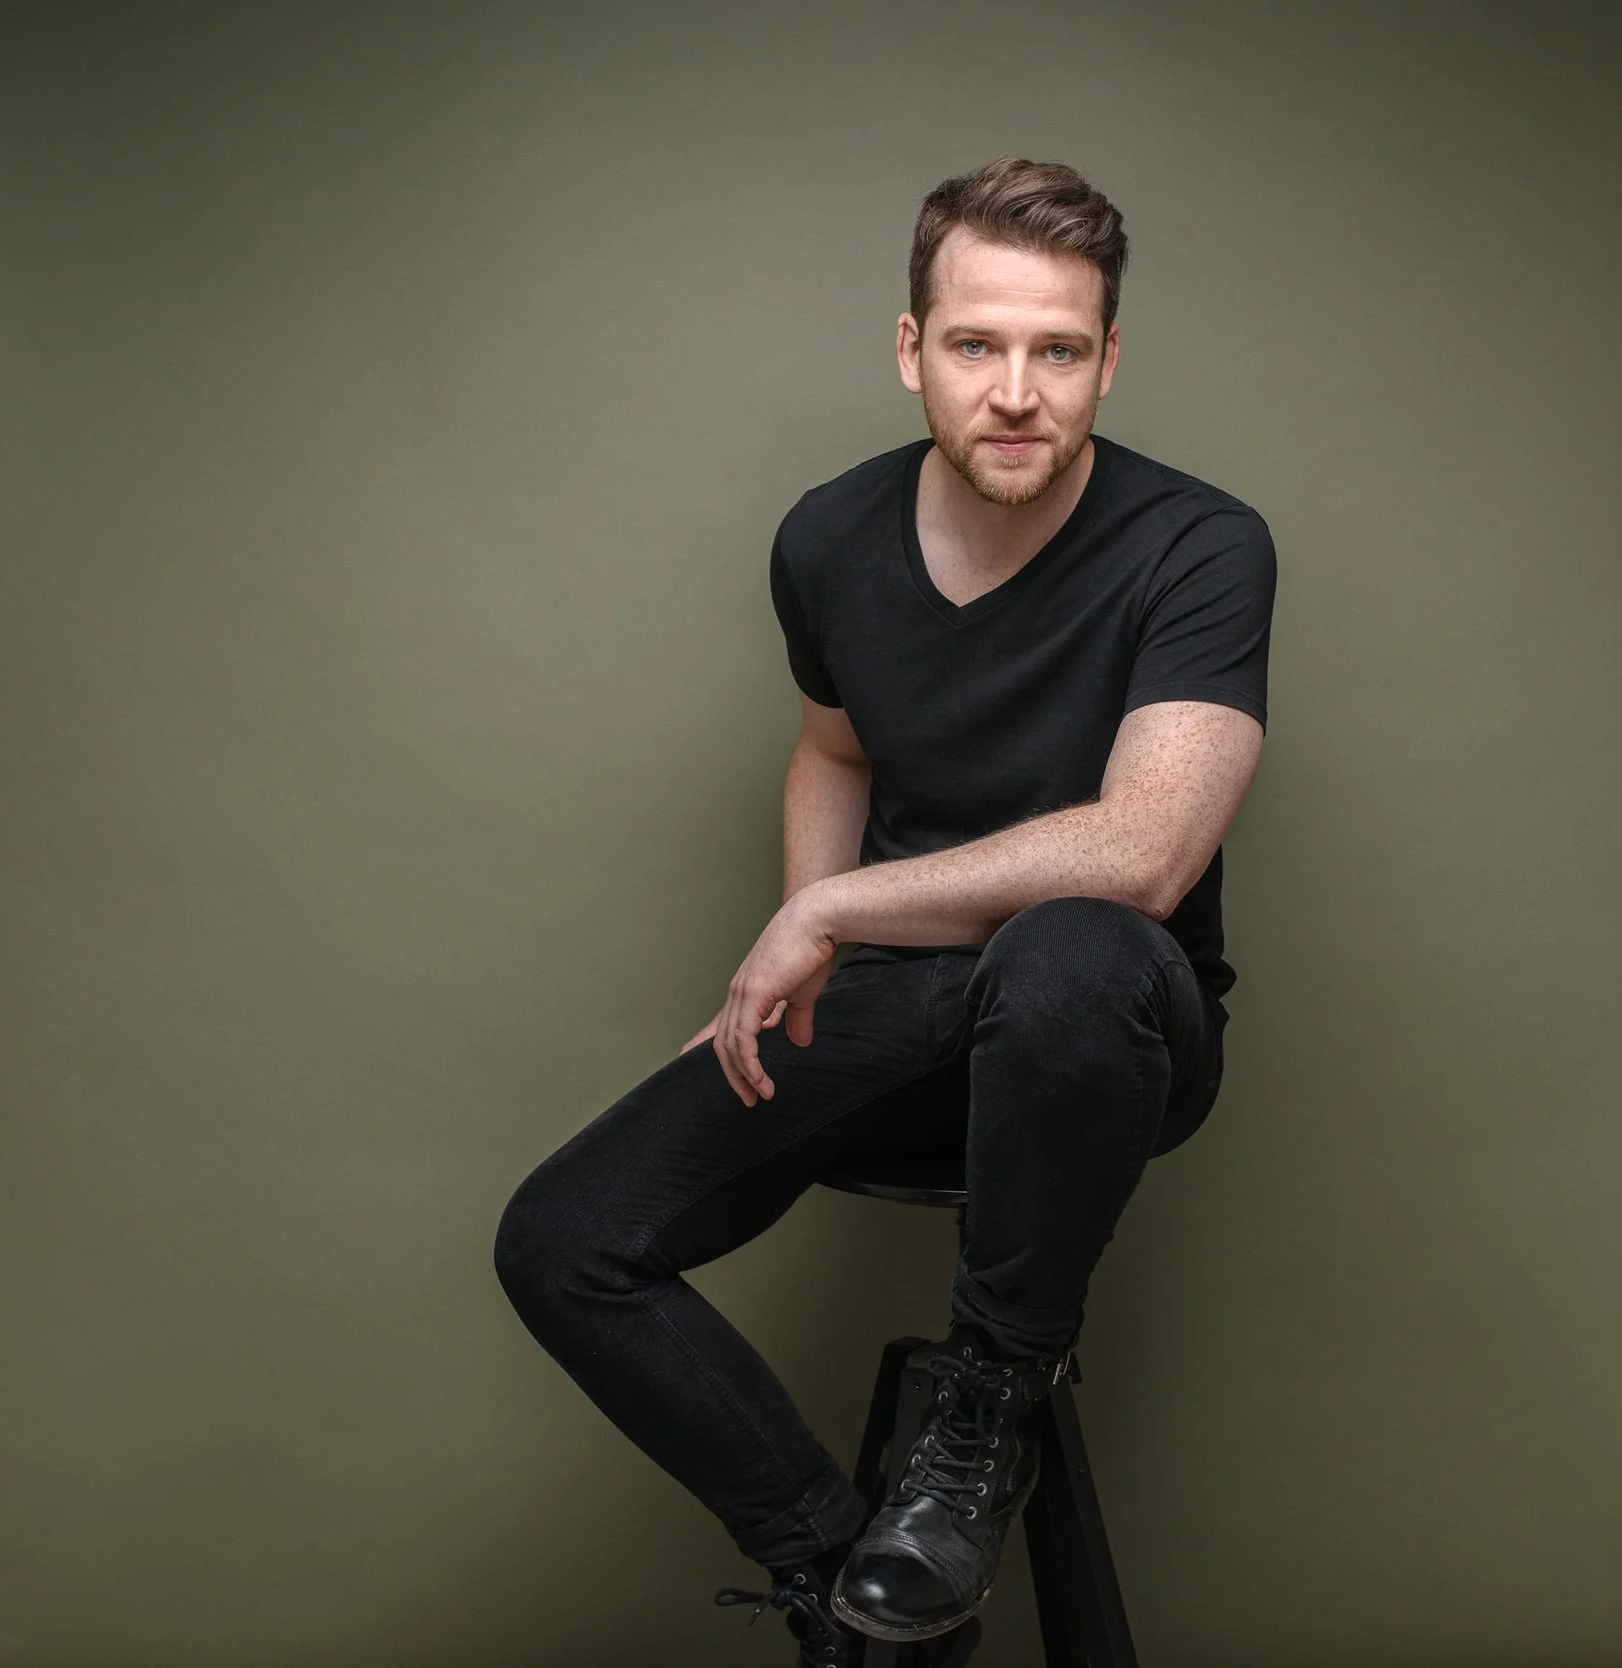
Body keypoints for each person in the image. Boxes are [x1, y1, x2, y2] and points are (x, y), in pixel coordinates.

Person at [493, 156, 1275, 1666]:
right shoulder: (826, 539)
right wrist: (818, 937)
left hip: (1109, 1031)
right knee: (565, 1240)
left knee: (1075, 944)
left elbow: (1147, 855)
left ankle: (988, 1405)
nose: (1017, 393)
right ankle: (851, 1596)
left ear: (1109, 359)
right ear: (912, 348)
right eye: (977, 344)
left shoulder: (1202, 544)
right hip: (909, 1006)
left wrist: (836, 904)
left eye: (1058, 351)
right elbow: (835, 750)